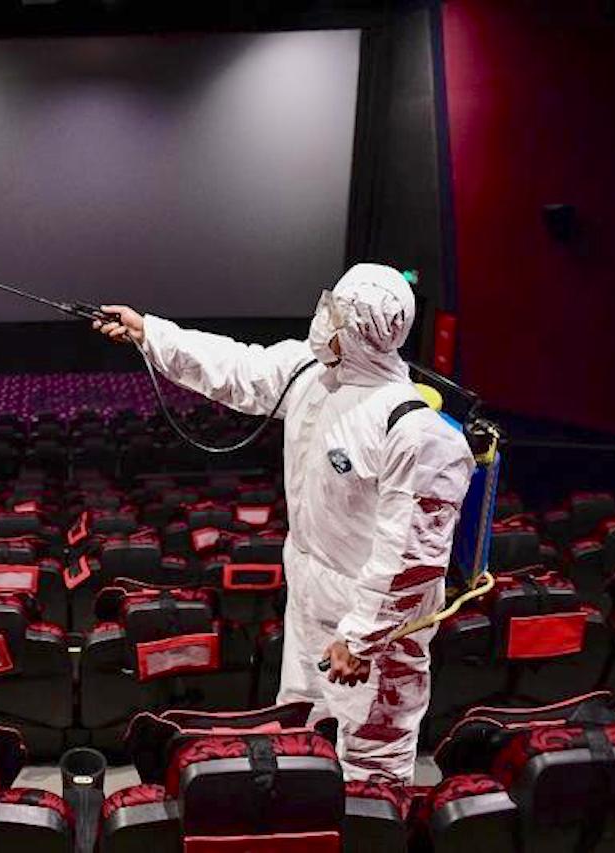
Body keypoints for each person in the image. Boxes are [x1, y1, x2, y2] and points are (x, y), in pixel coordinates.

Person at [93, 263, 475, 783]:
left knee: (370, 765)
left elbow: (412, 557)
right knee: (300, 735)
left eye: (335, 312)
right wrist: (151, 332)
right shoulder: (309, 374)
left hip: (374, 624)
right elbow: (236, 368)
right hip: (310, 589)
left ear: (361, 329)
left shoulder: (415, 431)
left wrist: (362, 639)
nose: (322, 317)